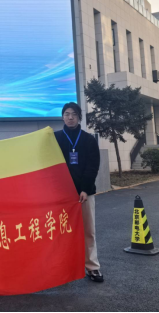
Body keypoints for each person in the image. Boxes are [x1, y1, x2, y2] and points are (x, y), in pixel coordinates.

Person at [54, 102, 103, 283]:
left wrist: (84, 189)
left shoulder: (88, 140)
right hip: (61, 195)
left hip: (84, 194)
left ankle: (92, 267)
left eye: (74, 114)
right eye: (67, 114)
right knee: (61, 232)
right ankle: (63, 268)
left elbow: (92, 167)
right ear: (62, 117)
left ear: (79, 117)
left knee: (88, 231)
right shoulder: (54, 139)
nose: (70, 117)